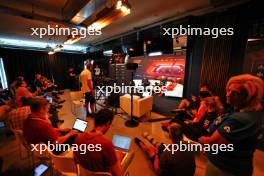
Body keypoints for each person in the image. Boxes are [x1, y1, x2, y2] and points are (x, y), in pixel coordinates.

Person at [199, 74, 264, 176]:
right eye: (228, 90)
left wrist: (201, 139)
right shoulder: (241, 110)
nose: (228, 94)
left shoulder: (240, 119)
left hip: (224, 168)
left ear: (248, 97)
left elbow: (212, 142)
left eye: (236, 93)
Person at [73, 109, 122, 176]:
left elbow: (75, 160)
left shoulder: (78, 138)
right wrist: (118, 158)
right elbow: (118, 174)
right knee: (124, 155)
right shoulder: (106, 144)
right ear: (108, 123)